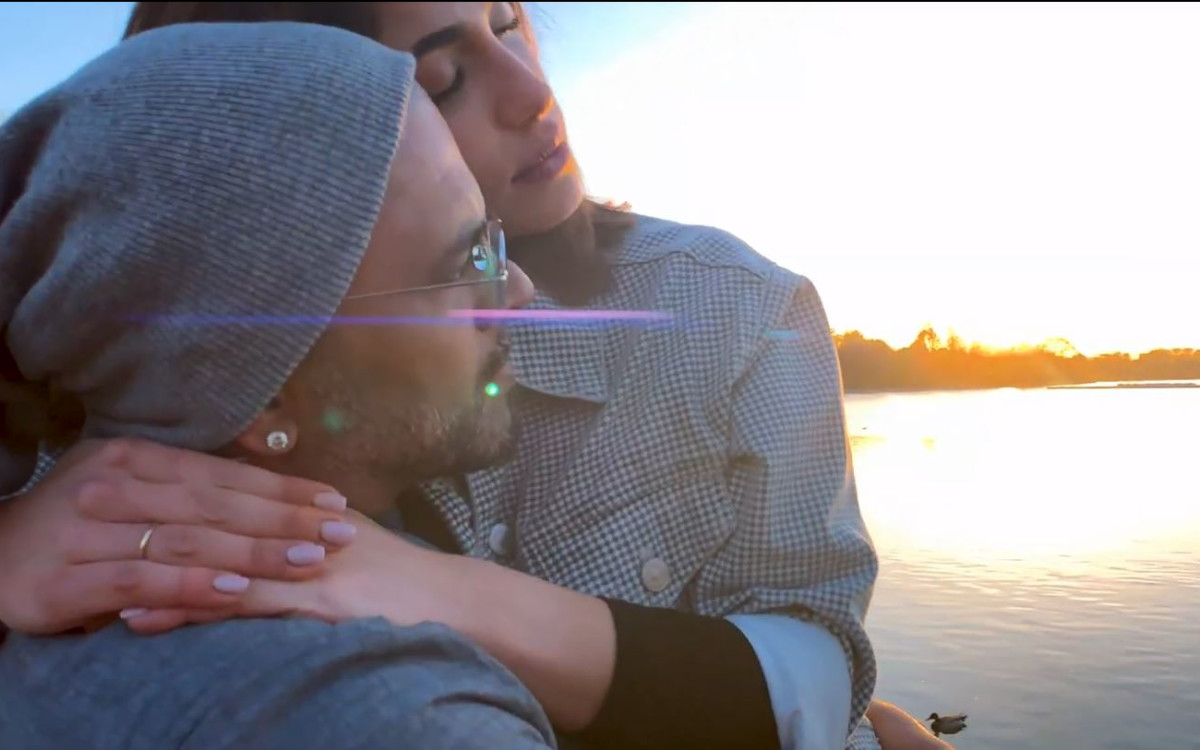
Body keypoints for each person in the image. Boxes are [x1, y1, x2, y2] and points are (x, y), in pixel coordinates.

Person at [0, 4, 953, 749]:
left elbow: (821, 674)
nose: (533, 92)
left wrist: (421, 585)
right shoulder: (123, 359)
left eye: (509, 21)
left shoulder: (730, 308)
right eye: (442, 79)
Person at [0, 20, 559, 749]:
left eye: (491, 238)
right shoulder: (382, 713)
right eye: (463, 264)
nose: (517, 288)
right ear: (264, 399)